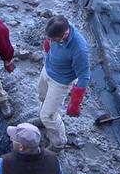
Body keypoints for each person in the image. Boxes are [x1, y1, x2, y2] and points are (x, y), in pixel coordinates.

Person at [38, 15, 90, 150]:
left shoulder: (79, 48)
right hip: (47, 70)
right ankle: (45, 120)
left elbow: (84, 75)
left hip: (61, 83)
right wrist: (49, 44)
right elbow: (50, 41)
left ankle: (59, 143)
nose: (50, 41)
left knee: (48, 116)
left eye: (53, 39)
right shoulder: (59, 30)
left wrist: (75, 101)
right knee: (42, 98)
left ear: (65, 33)